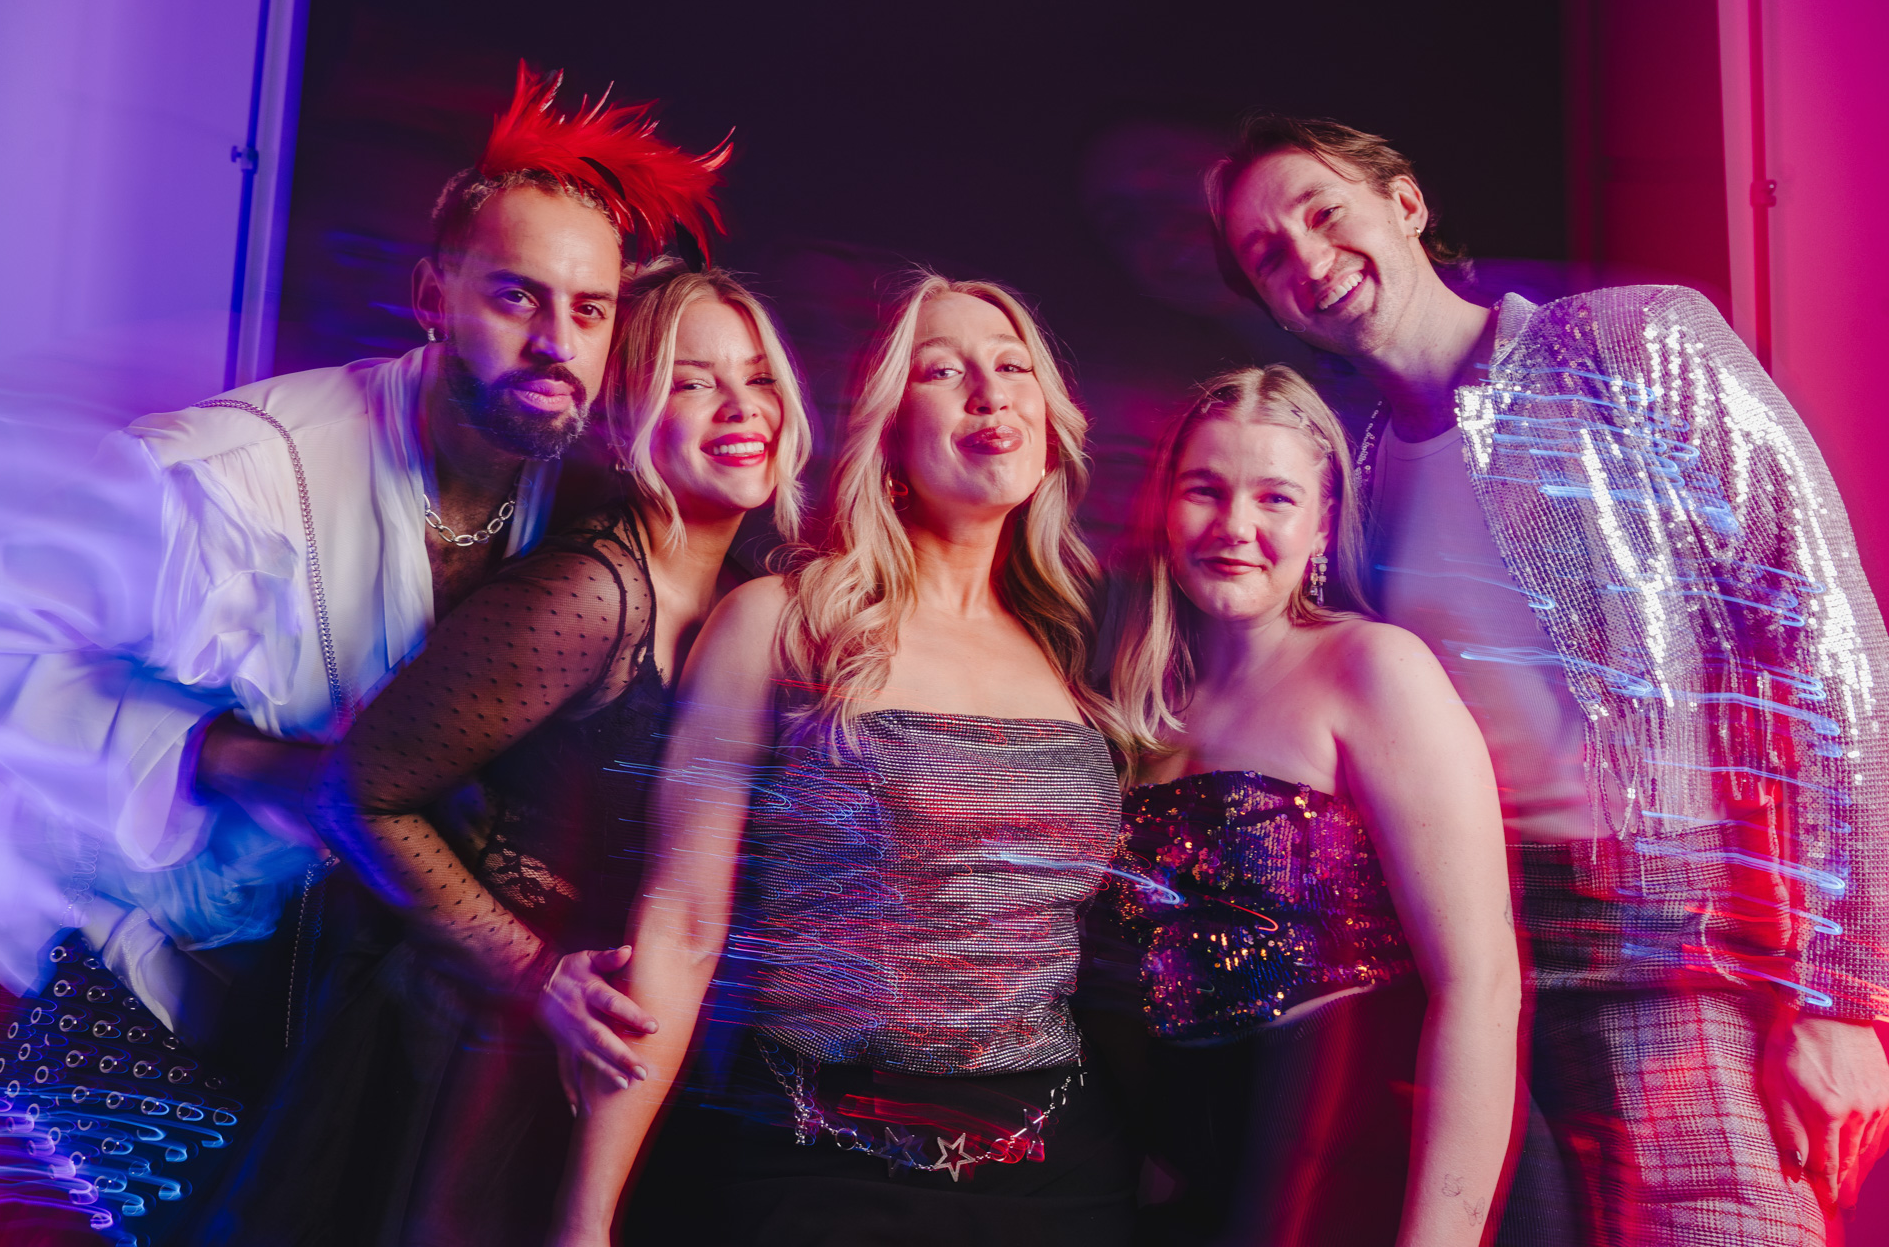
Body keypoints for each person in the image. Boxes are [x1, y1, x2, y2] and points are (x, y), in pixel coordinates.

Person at [0, 62, 725, 1238]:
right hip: (109, 981)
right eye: (516, 297)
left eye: (591, 310)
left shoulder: (569, 501)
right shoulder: (219, 478)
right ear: (432, 295)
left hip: (316, 993)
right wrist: (242, 760)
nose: (557, 343)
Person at [1209, 114, 1889, 1244]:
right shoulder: (1346, 467)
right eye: (1267, 254)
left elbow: (1829, 640)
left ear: (1406, 203)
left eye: (1324, 212)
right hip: (1473, 973)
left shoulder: (1635, 342)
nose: (1308, 258)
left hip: (1676, 958)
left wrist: (1846, 992)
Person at [191, 261, 811, 1244]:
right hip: (464, 1046)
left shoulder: (746, 597)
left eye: (760, 378)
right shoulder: (588, 594)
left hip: (604, 1061)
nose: (742, 408)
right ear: (625, 417)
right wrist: (533, 972)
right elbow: (359, 796)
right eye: (693, 382)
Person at [548, 274, 1138, 1246]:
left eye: (1013, 367)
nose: (990, 393)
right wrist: (582, 1219)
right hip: (818, 1157)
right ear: (889, 432)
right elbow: (682, 923)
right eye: (943, 372)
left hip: (1059, 1172)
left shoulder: (1078, 650)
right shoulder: (780, 624)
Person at [1095, 364, 1519, 1245]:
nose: (1235, 526)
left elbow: (1479, 984)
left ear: (1322, 523)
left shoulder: (1374, 669)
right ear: (1165, 506)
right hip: (1189, 1153)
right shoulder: (1138, 704)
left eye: (1275, 499)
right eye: (1205, 490)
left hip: (1351, 1145)